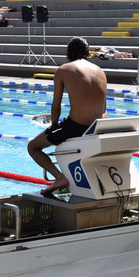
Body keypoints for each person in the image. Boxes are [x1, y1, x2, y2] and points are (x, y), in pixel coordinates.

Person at [27, 37, 108, 195]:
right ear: (87, 52)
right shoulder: (100, 71)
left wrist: (53, 127)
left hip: (76, 126)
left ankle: (59, 178)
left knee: (33, 147)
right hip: (98, 127)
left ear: (69, 52)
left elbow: (56, 105)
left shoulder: (64, 70)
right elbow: (104, 107)